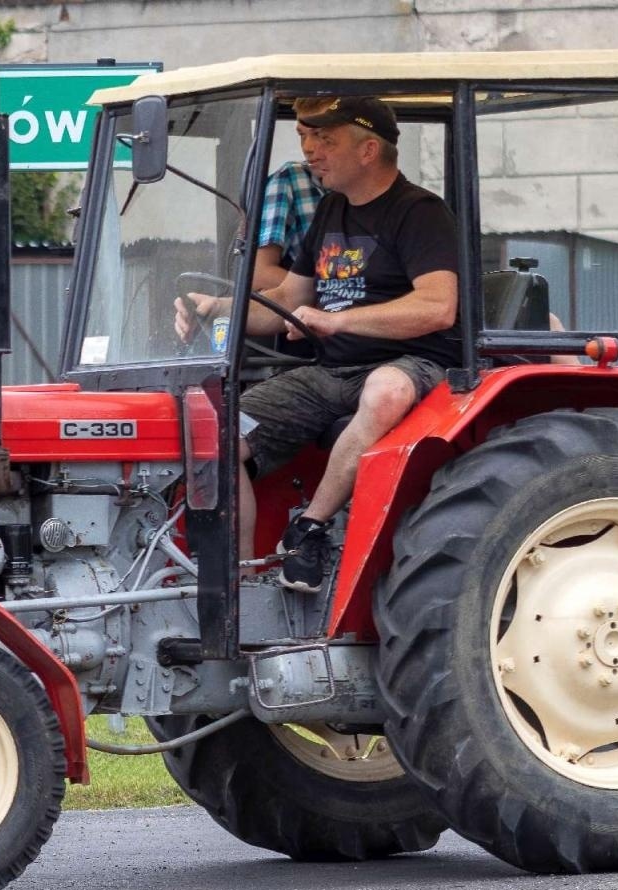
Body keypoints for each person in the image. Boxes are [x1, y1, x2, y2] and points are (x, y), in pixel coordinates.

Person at [176, 97, 460, 593]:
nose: (310, 151)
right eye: (306, 138)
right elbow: (287, 300)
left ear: (369, 149)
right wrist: (216, 307)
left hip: (412, 362)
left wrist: (340, 320)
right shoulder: (331, 210)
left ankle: (309, 527)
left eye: (325, 140)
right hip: (331, 373)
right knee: (216, 432)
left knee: (385, 393)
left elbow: (438, 308)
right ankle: (239, 589)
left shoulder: (420, 212)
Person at [252, 97, 334, 292]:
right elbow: (259, 274)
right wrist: (336, 294)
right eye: (302, 135)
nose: (307, 147)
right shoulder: (291, 179)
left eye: (319, 134)